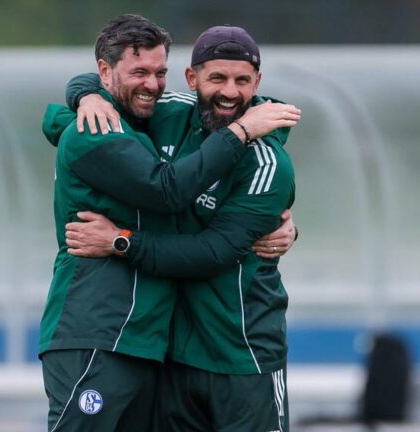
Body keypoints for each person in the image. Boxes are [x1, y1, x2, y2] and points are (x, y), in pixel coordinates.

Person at [39, 15, 300, 432]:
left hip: (243, 352)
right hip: (172, 355)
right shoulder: (164, 112)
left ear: (258, 83)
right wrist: (87, 95)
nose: (230, 92)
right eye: (217, 78)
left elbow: (214, 251)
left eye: (242, 80)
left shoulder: (267, 161)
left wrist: (121, 241)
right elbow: (64, 118)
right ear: (192, 79)